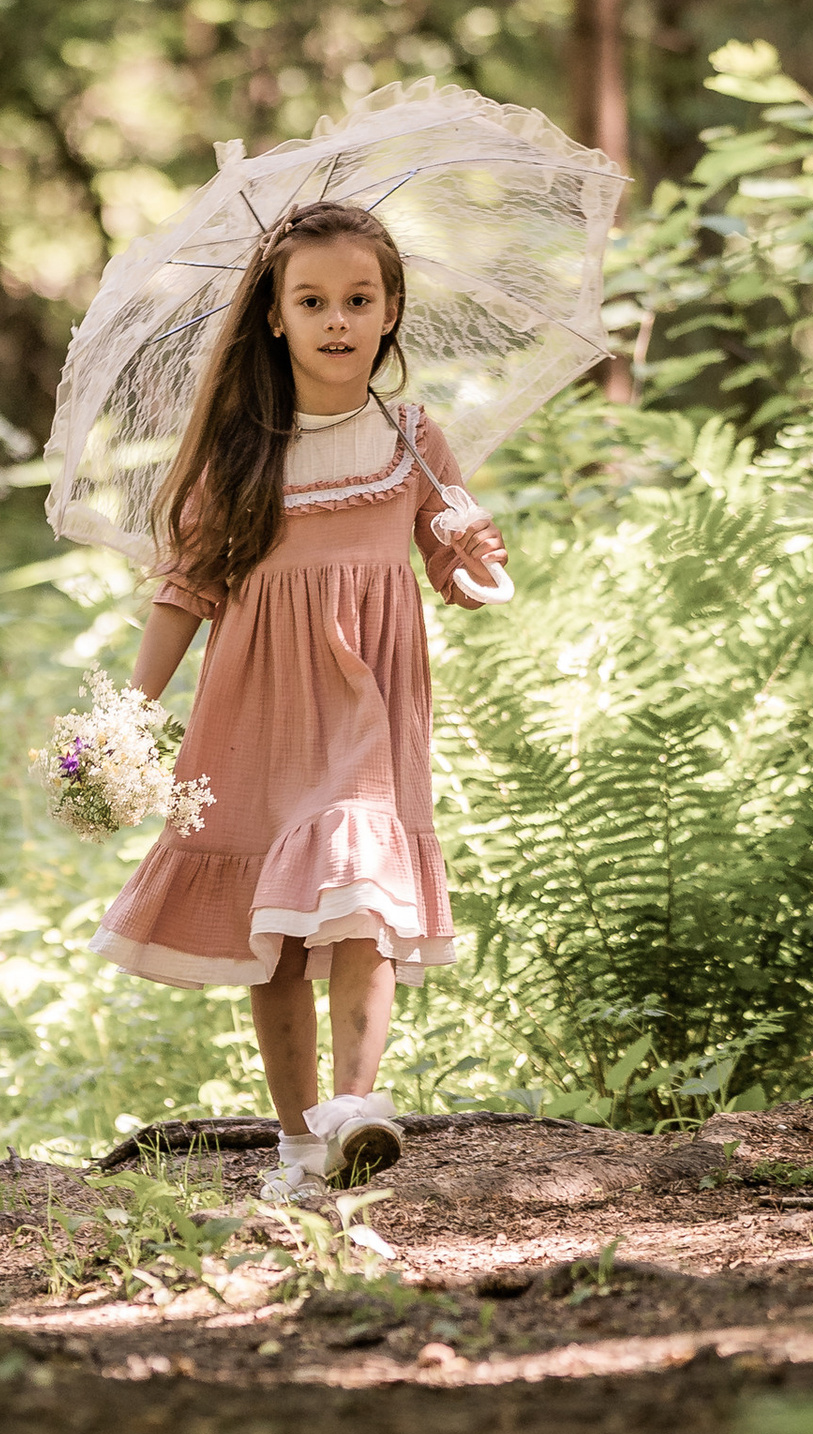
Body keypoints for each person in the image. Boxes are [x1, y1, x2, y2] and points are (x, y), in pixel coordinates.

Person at [90, 201, 510, 1195]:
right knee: (278, 935)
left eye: (357, 299)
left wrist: (475, 558)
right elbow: (184, 592)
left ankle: (355, 1108)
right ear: (273, 317)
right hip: (258, 714)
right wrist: (129, 713)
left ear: (390, 309)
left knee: (362, 896)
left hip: (369, 715)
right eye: (311, 300)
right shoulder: (242, 453)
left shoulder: (411, 441)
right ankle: (295, 1146)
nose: (336, 320)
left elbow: (455, 577)